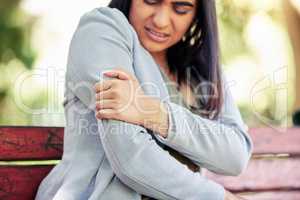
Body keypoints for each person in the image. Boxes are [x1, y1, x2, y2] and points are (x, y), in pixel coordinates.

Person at [35, 0, 253, 199]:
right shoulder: (102, 30)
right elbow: (131, 158)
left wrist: (156, 114)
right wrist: (219, 197)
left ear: (197, 15)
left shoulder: (201, 68)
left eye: (181, 9)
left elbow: (235, 156)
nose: (160, 20)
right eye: (150, 0)